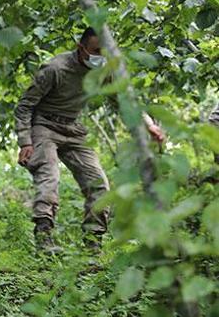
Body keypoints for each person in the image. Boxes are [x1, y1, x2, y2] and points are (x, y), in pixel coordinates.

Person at [14, 27, 165, 254]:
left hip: (73, 129)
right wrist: (25, 141)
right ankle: (44, 237)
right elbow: (25, 105)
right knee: (49, 177)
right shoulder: (55, 69)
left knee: (99, 184)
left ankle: (92, 243)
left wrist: (148, 124)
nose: (100, 57)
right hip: (44, 126)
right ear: (81, 47)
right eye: (96, 50)